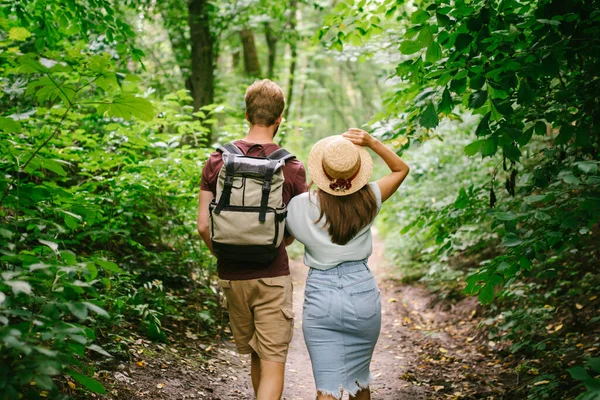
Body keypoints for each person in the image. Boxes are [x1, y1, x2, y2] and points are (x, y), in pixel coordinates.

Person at [197, 79, 307, 399]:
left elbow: (204, 226)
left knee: (257, 354)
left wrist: (224, 254)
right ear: (279, 119)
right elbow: (301, 226)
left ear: (246, 114)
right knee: (272, 360)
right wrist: (280, 240)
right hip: (272, 275)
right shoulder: (291, 167)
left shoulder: (217, 161)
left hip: (232, 275)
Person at [286, 128, 410, 400]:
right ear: (357, 173)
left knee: (326, 388)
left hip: (321, 294)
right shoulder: (371, 198)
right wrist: (371, 142)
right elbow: (401, 169)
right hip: (361, 292)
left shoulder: (297, 206)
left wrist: (312, 186)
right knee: (358, 384)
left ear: (321, 170)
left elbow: (285, 241)